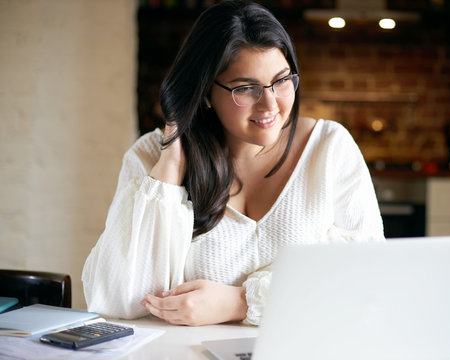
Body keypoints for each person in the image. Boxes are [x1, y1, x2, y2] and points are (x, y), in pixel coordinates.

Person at [82, 0, 384, 327]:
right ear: (206, 92)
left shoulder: (329, 149)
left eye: (281, 81)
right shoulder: (151, 157)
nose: (270, 104)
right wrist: (170, 165)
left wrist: (241, 303)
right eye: (245, 88)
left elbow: (368, 278)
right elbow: (116, 299)